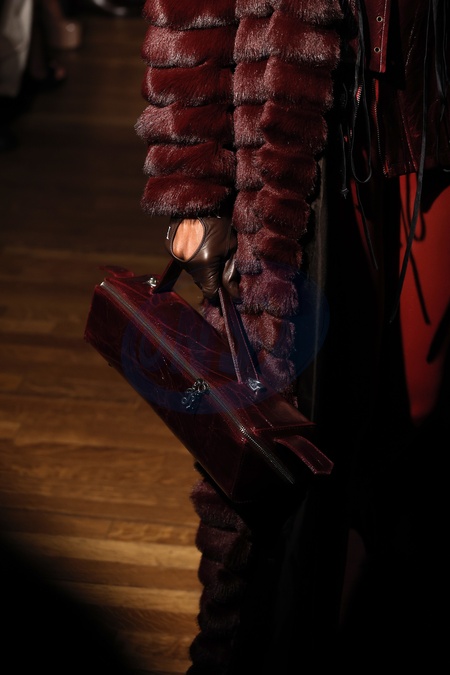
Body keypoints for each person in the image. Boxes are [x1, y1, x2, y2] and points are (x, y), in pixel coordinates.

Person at [136, 1, 450, 672]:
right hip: (305, 139)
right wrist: (193, 182)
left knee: (420, 418)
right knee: (299, 427)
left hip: (430, 115)